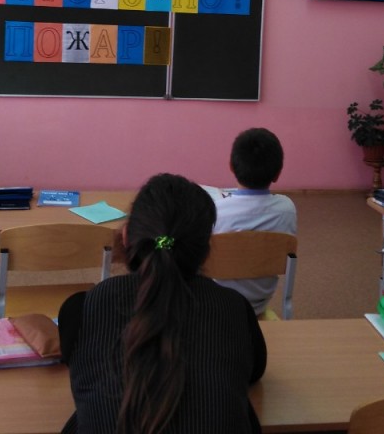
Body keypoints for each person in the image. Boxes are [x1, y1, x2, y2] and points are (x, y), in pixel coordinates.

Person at [59, 173, 266, 434]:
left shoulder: (81, 309)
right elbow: (255, 371)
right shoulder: (234, 308)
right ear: (205, 250)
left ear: (126, 237)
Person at [204, 127, 297, 316]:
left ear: (231, 166)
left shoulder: (216, 211)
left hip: (217, 307)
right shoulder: (287, 209)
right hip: (259, 306)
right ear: (278, 173)